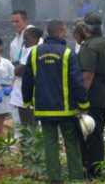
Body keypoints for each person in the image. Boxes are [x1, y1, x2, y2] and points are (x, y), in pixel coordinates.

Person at [22, 20, 89, 183]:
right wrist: (84, 104)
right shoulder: (67, 54)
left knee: (50, 145)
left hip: (44, 110)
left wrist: (27, 101)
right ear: (59, 33)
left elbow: (27, 79)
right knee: (72, 144)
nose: (66, 33)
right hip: (66, 110)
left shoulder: (35, 53)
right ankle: (76, 178)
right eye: (65, 30)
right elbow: (77, 82)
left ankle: (55, 179)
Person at [78, 12, 105, 179]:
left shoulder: (90, 46)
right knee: (97, 135)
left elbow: (87, 76)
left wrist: (79, 99)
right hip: (101, 96)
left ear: (86, 29)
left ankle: (91, 172)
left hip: (90, 98)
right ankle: (96, 170)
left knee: (90, 136)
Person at [8, 10, 36, 135]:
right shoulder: (14, 41)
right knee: (20, 122)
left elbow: (24, 65)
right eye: (12, 22)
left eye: (17, 21)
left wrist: (18, 70)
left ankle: (34, 150)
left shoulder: (32, 34)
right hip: (19, 83)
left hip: (31, 82)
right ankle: (25, 150)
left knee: (31, 122)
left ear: (25, 21)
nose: (14, 24)